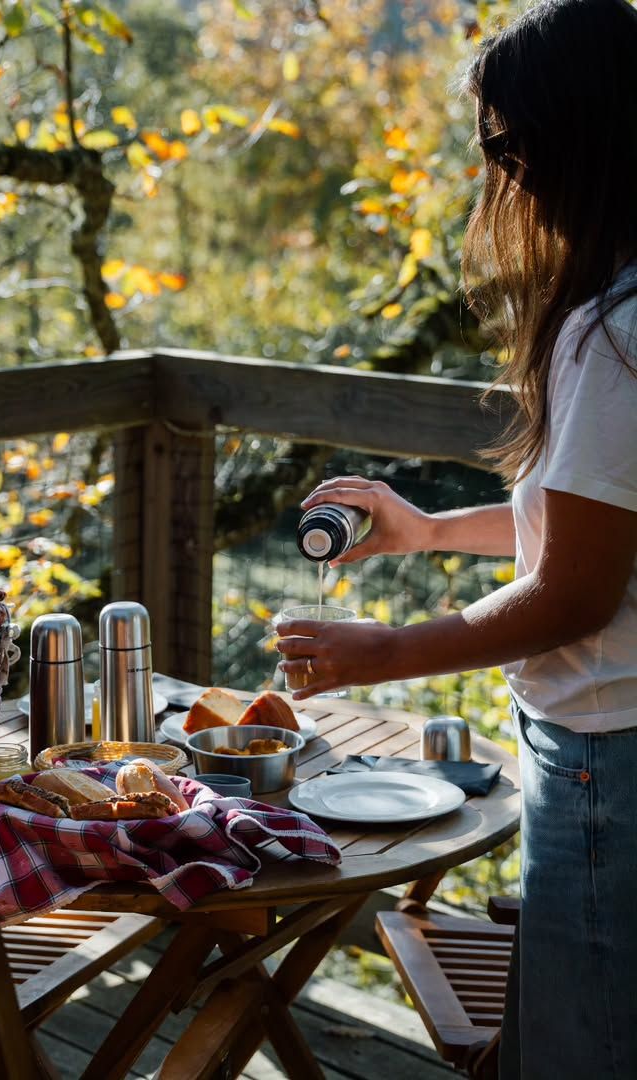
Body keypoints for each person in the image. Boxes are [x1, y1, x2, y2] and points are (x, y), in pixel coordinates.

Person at [275, 1, 637, 1077]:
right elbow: (585, 530)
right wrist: (428, 530)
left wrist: (381, 655)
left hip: (603, 766)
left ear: (565, 142)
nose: (504, 179)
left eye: (506, 146)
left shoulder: (612, 333)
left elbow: (575, 594)